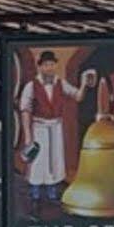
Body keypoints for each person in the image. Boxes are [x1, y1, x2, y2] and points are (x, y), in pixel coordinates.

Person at [16, 51, 93, 206]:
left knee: (55, 159)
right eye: (46, 65)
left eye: (52, 65)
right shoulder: (31, 86)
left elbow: (77, 96)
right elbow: (25, 110)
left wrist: (84, 83)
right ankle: (35, 194)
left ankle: (52, 192)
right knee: (38, 160)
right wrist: (28, 135)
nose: (49, 68)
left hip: (56, 125)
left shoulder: (60, 83)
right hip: (39, 126)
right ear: (40, 67)